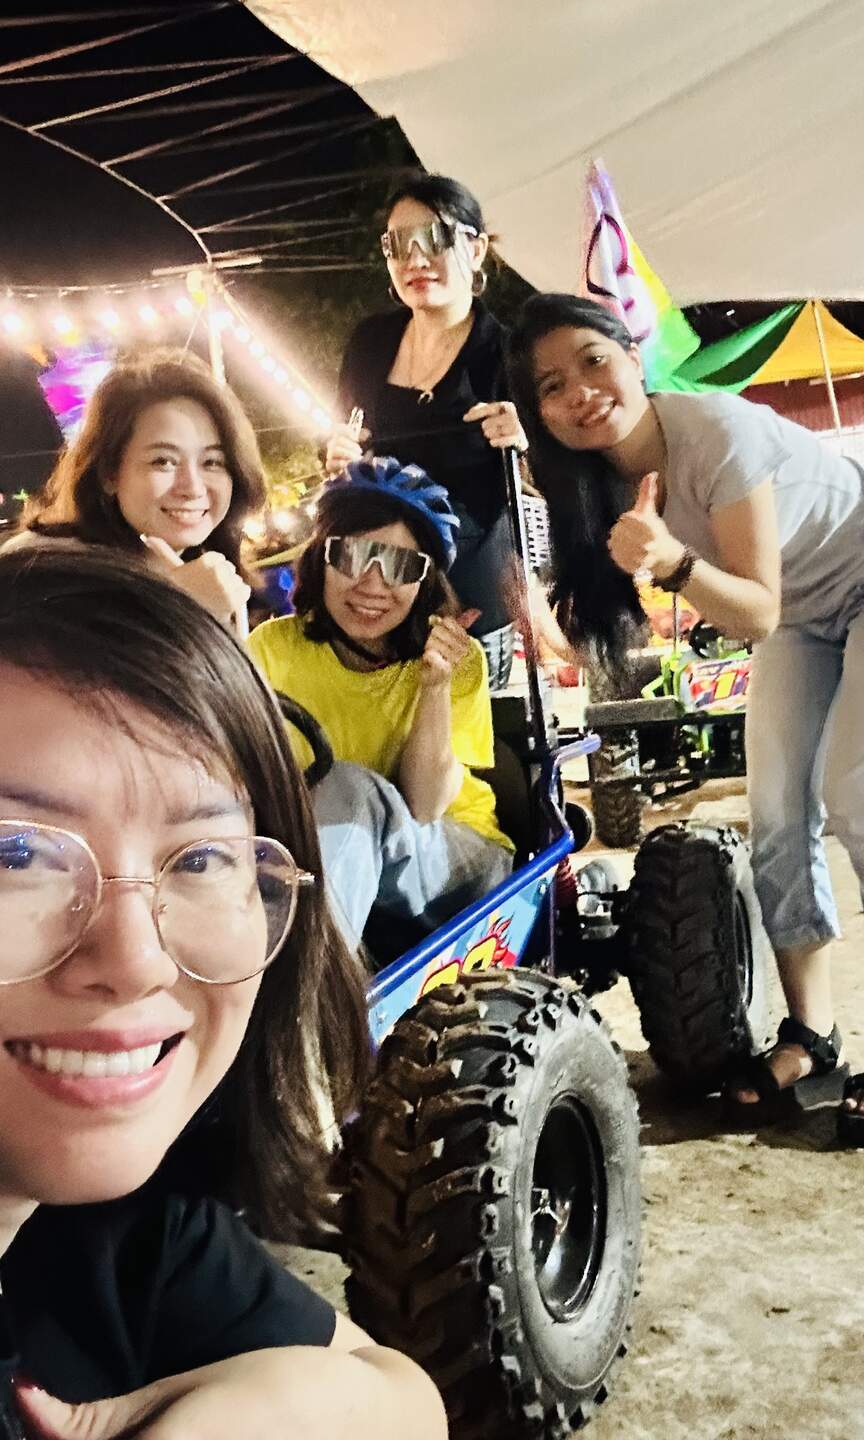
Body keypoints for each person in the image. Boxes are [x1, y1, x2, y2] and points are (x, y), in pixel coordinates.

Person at [0, 545, 446, 1439]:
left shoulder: (115, 1233)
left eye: (202, 859)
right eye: (16, 854)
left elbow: (404, 1398)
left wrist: (281, 1408)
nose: (138, 960)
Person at [504, 291, 864, 1145]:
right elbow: (606, 637)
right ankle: (812, 1035)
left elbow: (753, 612)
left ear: (632, 356)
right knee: (777, 814)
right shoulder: (590, 485)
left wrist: (674, 561)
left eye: (593, 361)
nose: (580, 393)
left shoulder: (717, 430)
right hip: (804, 616)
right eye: (551, 386)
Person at [248, 458, 515, 962]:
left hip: (457, 862)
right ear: (322, 559)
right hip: (325, 864)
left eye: (399, 566)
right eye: (352, 556)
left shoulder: (456, 660)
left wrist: (434, 686)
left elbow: (426, 806)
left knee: (349, 785)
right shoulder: (272, 648)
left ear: (424, 581)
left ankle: (306, 985)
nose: (372, 585)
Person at [326, 172, 526, 690]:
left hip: (469, 595)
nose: (415, 259)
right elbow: (348, 447)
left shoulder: (510, 353)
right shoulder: (369, 343)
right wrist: (337, 454)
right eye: (397, 244)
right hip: (375, 592)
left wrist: (524, 441)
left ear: (476, 249)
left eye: (434, 238)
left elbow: (551, 478)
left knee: (465, 729)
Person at [7, 349, 262, 630]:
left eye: (212, 462)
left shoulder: (206, 572)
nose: (192, 487)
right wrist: (180, 612)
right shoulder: (39, 573)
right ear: (109, 473)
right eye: (163, 461)